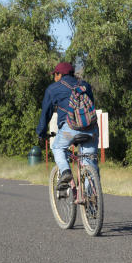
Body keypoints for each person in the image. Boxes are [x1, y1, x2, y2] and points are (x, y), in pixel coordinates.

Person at [36, 62, 99, 190]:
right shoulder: (85, 85)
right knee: (89, 162)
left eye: (55, 74)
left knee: (57, 147)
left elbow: (45, 114)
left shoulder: (53, 88)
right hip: (91, 130)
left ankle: (66, 172)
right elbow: (91, 105)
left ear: (60, 74)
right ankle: (91, 200)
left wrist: (41, 133)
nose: (54, 78)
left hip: (69, 131)